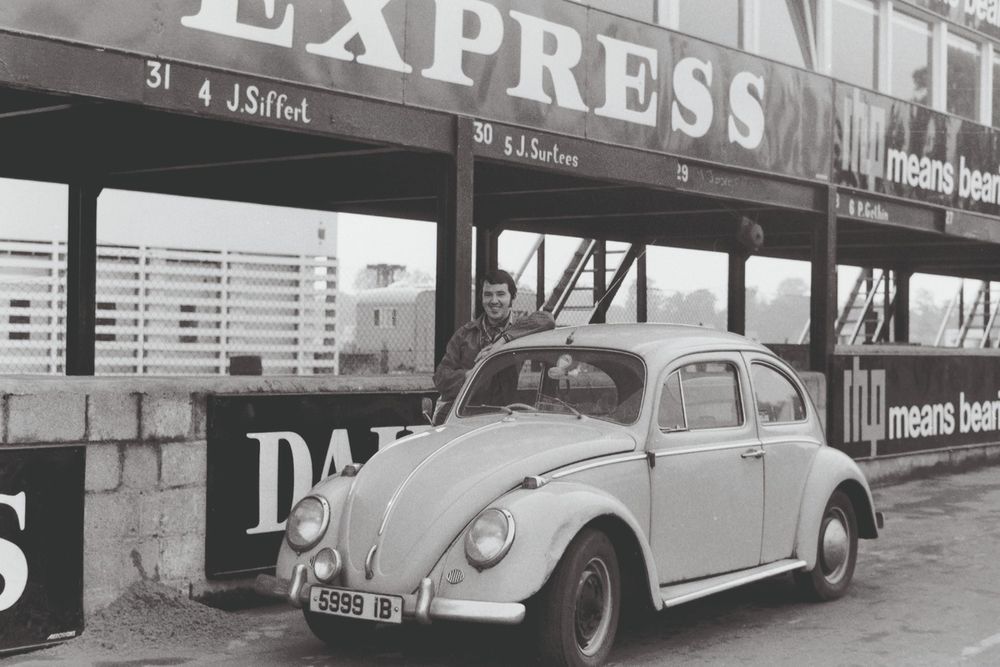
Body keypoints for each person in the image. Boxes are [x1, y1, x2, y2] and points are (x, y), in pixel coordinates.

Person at [432, 270, 555, 424]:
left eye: (501, 294)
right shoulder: (465, 334)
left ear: (512, 298)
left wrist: (502, 341)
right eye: (488, 294)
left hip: (502, 416)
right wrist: (470, 375)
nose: (494, 300)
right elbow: (440, 378)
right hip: (462, 415)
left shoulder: (521, 328)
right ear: (482, 298)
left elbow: (547, 320)